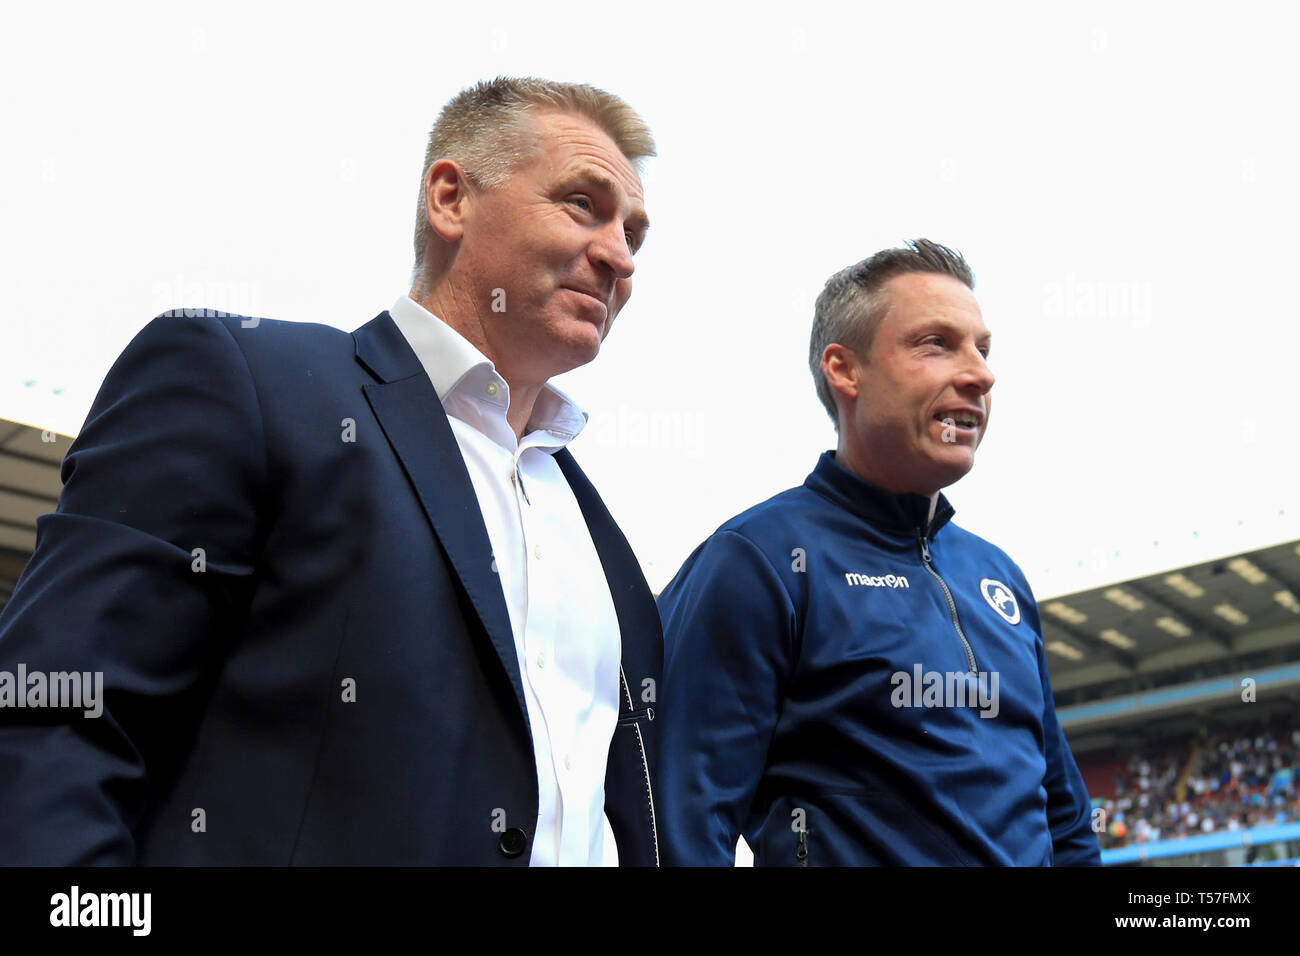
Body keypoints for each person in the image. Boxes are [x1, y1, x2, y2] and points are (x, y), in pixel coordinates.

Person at [0, 77, 662, 866]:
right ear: (450, 198)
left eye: (635, 235)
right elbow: (61, 711)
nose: (618, 256)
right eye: (582, 205)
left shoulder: (606, 550)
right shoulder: (245, 382)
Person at [655, 239, 1100, 865]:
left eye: (983, 348)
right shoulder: (759, 561)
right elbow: (681, 825)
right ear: (845, 370)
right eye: (936, 344)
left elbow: (1066, 821)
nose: (980, 374)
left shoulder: (999, 577)